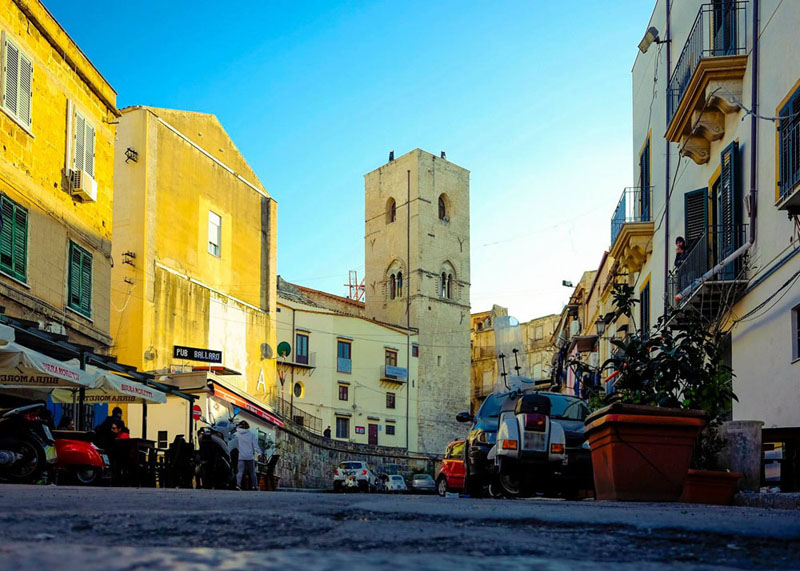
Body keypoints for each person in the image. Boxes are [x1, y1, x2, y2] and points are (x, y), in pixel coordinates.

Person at [235, 420, 259, 490]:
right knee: (252, 472)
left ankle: (238, 485)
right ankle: (255, 486)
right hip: (249, 456)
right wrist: (259, 452)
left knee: (240, 471)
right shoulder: (251, 434)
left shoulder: (236, 434)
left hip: (240, 456)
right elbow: (255, 445)